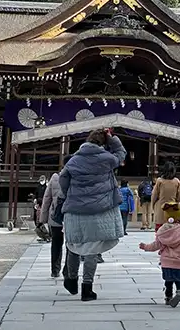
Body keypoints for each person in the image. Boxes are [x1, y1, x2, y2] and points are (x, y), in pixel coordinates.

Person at [60, 128, 126, 302]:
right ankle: (87, 288)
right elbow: (121, 154)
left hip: (75, 208)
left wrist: (69, 194)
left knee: (74, 244)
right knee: (92, 248)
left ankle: (71, 279)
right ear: (103, 143)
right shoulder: (106, 159)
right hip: (99, 209)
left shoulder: (74, 160)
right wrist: (112, 139)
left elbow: (63, 179)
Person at [139, 202, 180, 308]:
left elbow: (156, 245)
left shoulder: (163, 231)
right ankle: (179, 291)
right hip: (179, 262)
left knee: (168, 282)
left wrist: (145, 246)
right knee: (179, 281)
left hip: (167, 262)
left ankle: (168, 297)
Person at [40, 171, 65, 278]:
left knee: (56, 243)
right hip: (71, 215)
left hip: (55, 215)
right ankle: (69, 270)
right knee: (72, 244)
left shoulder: (55, 177)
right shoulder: (77, 176)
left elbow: (47, 198)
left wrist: (43, 218)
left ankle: (55, 269)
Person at [152, 161, 180, 232]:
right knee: (172, 230)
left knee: (160, 231)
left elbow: (154, 195)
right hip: (173, 208)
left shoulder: (159, 181)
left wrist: (153, 205)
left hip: (161, 208)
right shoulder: (177, 181)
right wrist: (175, 201)